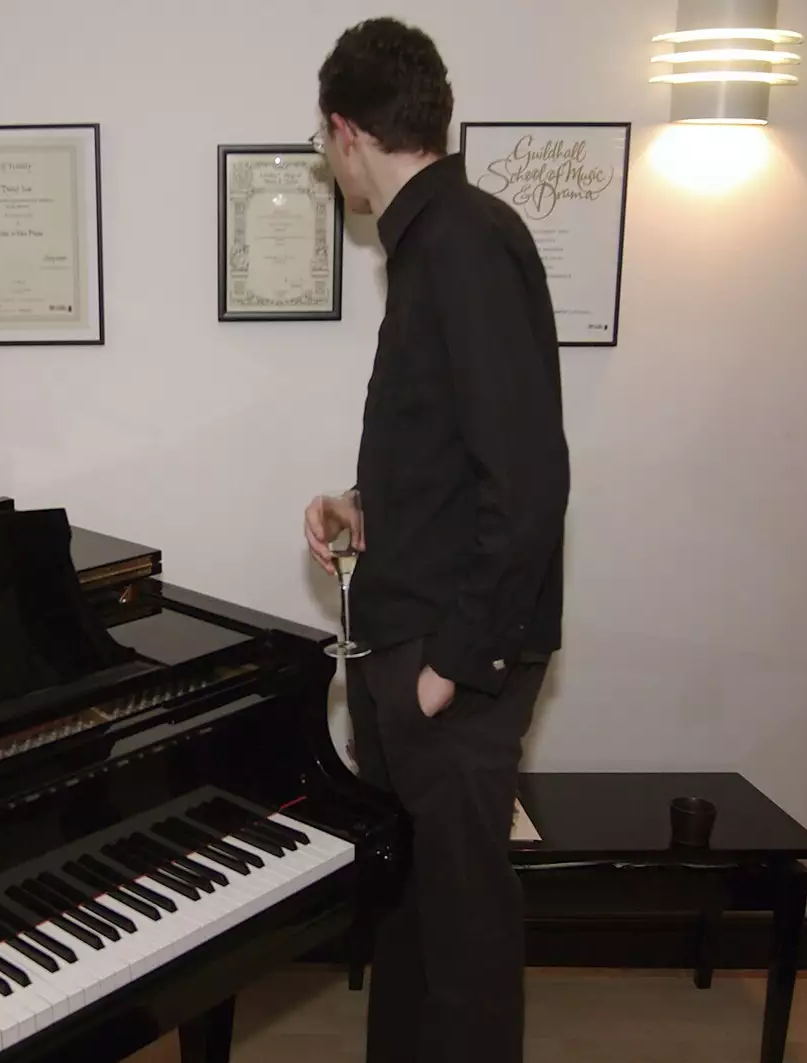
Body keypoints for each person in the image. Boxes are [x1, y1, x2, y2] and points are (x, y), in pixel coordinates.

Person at [301, 17, 570, 1063]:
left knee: (461, 951)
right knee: (412, 921)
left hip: (447, 664)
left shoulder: (458, 240)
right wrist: (363, 501)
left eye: (327, 148)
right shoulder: (436, 239)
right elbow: (457, 451)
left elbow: (531, 483)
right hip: (415, 647)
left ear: (344, 130)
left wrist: (451, 667)